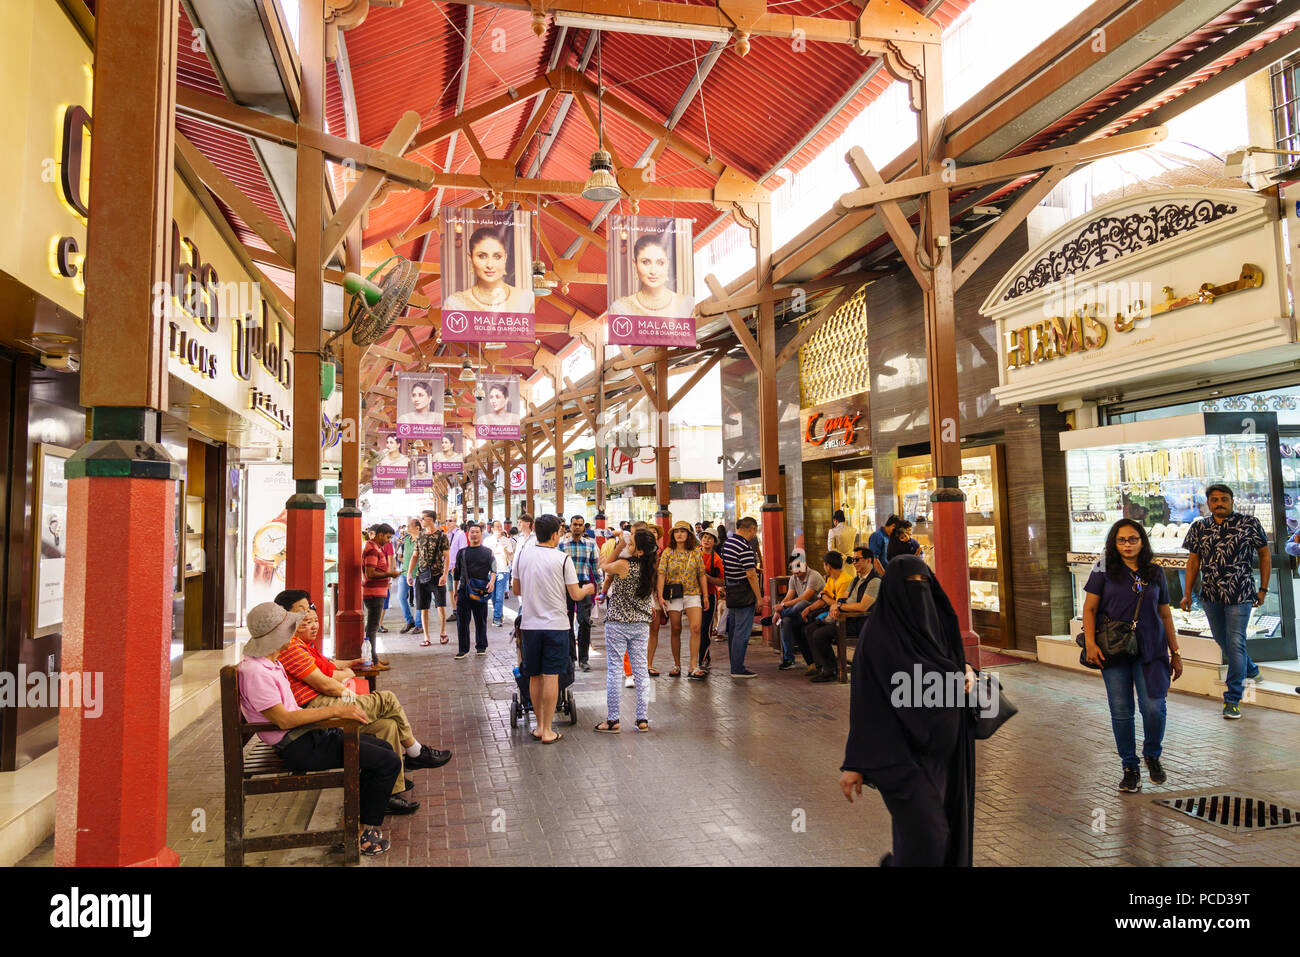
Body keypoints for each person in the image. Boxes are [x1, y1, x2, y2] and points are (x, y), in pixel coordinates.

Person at [839, 555, 977, 867]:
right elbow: (865, 703)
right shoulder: (877, 639)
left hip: (943, 757)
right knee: (931, 834)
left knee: (923, 836)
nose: (919, 592)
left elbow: (952, 662)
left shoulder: (938, 625)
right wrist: (854, 763)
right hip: (897, 758)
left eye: (923, 584)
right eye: (910, 586)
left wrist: (967, 670)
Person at [236, 601, 400, 856]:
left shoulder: (270, 662)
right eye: (290, 629)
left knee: (382, 747)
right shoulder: (257, 671)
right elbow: (284, 720)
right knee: (387, 761)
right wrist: (336, 710)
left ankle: (357, 827)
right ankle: (360, 835)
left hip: (308, 734)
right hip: (297, 745)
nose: (294, 634)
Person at [272, 591, 451, 810]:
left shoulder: (301, 645)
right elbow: (326, 684)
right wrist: (351, 691)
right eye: (302, 611)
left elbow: (328, 668)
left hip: (320, 704)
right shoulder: (290, 647)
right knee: (387, 700)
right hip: (315, 711)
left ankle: (389, 792)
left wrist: (349, 670)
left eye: (310, 609)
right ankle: (416, 752)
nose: (308, 614)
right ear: (284, 616)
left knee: (388, 725)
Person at [1082, 520, 1182, 792]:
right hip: (1114, 648)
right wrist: (1090, 643)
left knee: (1153, 706)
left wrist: (1176, 652)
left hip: (1151, 647)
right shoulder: (1103, 569)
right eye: (1121, 540)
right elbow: (1089, 609)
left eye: (1133, 539)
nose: (1127, 544)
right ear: (1113, 543)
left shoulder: (1155, 571)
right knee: (1121, 710)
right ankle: (1130, 766)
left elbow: (1165, 613)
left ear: (1142, 541)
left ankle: (1152, 754)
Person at [1180, 483, 1268, 719]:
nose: (1219, 503)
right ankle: (1250, 669)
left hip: (1241, 594)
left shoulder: (1249, 523)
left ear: (1232, 500)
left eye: (1224, 499)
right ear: (1208, 503)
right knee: (1222, 640)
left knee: (1236, 642)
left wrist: (1263, 588)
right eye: (1215, 499)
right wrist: (1187, 593)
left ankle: (1232, 699)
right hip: (1210, 594)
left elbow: (1264, 554)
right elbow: (1192, 562)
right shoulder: (1199, 527)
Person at [512, 514, 595, 743]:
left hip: (529, 625)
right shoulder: (562, 559)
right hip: (556, 625)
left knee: (534, 676)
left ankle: (539, 727)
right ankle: (548, 730)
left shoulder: (522, 555)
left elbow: (516, 589)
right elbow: (575, 595)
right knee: (551, 677)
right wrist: (588, 588)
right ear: (554, 534)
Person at [595, 527, 659, 733]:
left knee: (614, 670)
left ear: (639, 551)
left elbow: (603, 566)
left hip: (618, 624)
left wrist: (619, 546)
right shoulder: (650, 569)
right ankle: (642, 719)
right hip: (641, 624)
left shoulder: (623, 565)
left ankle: (613, 720)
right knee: (641, 671)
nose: (627, 546)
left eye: (632, 545)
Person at [806, 546, 880, 682]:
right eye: (853, 560)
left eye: (857, 559)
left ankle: (830, 670)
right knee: (811, 628)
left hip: (860, 622)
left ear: (869, 560)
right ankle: (825, 666)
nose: (854, 563)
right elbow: (842, 599)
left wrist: (839, 606)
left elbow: (862, 607)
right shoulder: (855, 579)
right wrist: (836, 605)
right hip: (845, 618)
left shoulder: (874, 581)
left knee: (819, 635)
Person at [654, 521, 710, 680]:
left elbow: (701, 574)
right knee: (676, 628)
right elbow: (661, 574)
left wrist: (705, 595)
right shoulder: (668, 552)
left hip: (693, 593)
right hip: (673, 594)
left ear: (689, 534)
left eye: (683, 531)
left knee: (696, 627)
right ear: (672, 535)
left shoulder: (695, 552)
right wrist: (660, 595)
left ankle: (694, 665)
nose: (679, 534)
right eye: (676, 531)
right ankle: (677, 664)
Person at [443, 226, 534, 313]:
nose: (490, 265)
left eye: (497, 256)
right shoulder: (455, 304)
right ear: (470, 259)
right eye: (482, 256)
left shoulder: (526, 299)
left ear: (505, 258)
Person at [608, 233, 694, 317]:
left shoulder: (688, 305)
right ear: (635, 264)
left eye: (660, 263)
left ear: (667, 264)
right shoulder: (621, 309)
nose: (653, 271)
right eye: (646, 262)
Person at [558, 514, 601, 670]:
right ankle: (570, 657)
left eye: (580, 524)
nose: (577, 527)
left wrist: (600, 587)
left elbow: (596, 567)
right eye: (574, 524)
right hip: (566, 586)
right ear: (570, 525)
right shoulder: (562, 545)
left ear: (584, 527)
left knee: (584, 621)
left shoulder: (590, 545)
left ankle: (584, 658)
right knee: (566, 622)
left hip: (583, 585)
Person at [769, 555, 825, 671]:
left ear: (805, 564)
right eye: (792, 567)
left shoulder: (814, 576)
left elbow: (805, 597)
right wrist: (778, 610)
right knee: (786, 621)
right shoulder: (793, 578)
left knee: (802, 603)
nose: (795, 570)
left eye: (798, 566)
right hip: (800, 613)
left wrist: (782, 608)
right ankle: (789, 659)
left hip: (816, 610)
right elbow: (788, 597)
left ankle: (782, 614)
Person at [722, 517, 762, 678]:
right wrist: (759, 597)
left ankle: (735, 664)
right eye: (755, 530)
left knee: (734, 630)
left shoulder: (728, 543)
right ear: (751, 529)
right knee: (742, 631)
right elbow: (751, 575)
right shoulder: (744, 547)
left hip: (732, 589)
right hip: (744, 592)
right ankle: (738, 668)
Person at [452, 523, 495, 659]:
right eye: (472, 532)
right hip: (464, 590)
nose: (474, 534)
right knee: (462, 621)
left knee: (481, 620)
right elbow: (457, 574)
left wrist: (492, 582)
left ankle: (481, 646)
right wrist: (455, 590)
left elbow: (494, 569)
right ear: (468, 534)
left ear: (481, 534)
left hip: (481, 591)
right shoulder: (462, 552)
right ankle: (463, 649)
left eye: (477, 532)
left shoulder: (488, 552)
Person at [411, 510, 451, 646]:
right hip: (421, 575)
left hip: (437, 575)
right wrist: (410, 574)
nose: (421, 520)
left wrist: (445, 574)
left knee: (441, 605)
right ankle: (426, 637)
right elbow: (415, 556)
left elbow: (447, 557)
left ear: (431, 519)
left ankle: (443, 632)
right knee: (423, 607)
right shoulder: (420, 536)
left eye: (423, 518)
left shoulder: (441, 536)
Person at [362, 524, 400, 656]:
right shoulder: (372, 549)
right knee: (372, 628)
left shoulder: (377, 548)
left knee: (373, 627)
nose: (389, 540)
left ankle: (373, 658)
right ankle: (372, 660)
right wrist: (390, 574)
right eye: (388, 537)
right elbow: (370, 573)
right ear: (380, 535)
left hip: (377, 593)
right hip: (373, 594)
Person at [697, 529, 725, 672]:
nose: (706, 540)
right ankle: (702, 656)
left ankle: (702, 658)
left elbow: (721, 582)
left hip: (710, 595)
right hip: (693, 596)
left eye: (710, 538)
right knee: (696, 628)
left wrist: (707, 577)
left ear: (714, 542)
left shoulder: (717, 559)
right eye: (704, 537)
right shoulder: (694, 554)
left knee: (705, 628)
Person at [394, 519, 420, 634]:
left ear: (417, 528)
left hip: (417, 574)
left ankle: (419, 624)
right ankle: (409, 621)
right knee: (400, 597)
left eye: (409, 526)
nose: (407, 528)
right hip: (404, 573)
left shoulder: (422, 540)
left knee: (418, 599)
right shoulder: (406, 540)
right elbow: (399, 554)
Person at [486, 520, 514, 626]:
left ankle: (496, 618)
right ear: (492, 529)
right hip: (490, 572)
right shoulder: (488, 541)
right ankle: (499, 613)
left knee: (499, 595)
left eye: (500, 526)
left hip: (503, 570)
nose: (498, 528)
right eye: (496, 527)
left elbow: (511, 556)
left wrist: (505, 551)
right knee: (493, 596)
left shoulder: (506, 540)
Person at [445, 521, 469, 623]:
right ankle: (455, 611)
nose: (448, 523)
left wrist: (457, 565)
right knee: (450, 590)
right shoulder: (446, 535)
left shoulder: (460, 534)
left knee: (459, 590)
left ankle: (462, 611)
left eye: (450, 521)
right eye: (446, 521)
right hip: (447, 567)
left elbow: (463, 550)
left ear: (455, 522)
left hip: (456, 567)